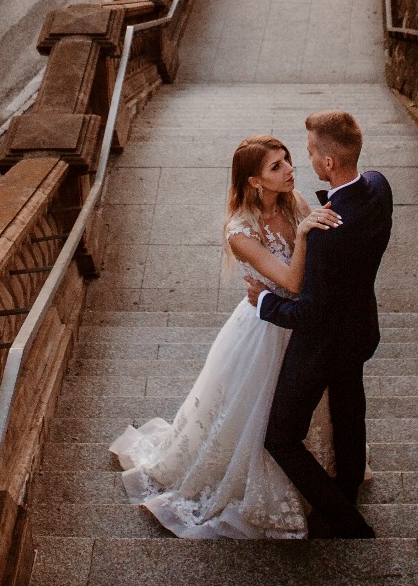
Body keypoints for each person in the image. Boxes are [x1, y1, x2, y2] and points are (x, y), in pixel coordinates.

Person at [110, 136, 340, 539]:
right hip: (264, 331)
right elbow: (290, 278)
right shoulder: (239, 230)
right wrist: (304, 235)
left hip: (299, 323)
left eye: (287, 160)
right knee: (259, 412)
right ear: (254, 181)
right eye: (276, 166)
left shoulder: (294, 201)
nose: (289, 168)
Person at [252, 110, 391, 539]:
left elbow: (307, 314)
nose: (305, 160)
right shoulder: (379, 185)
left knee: (280, 437)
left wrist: (263, 302)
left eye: (310, 152)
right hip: (360, 329)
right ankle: (347, 484)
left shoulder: (326, 237)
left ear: (328, 163)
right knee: (349, 404)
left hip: (323, 342)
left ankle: (344, 520)